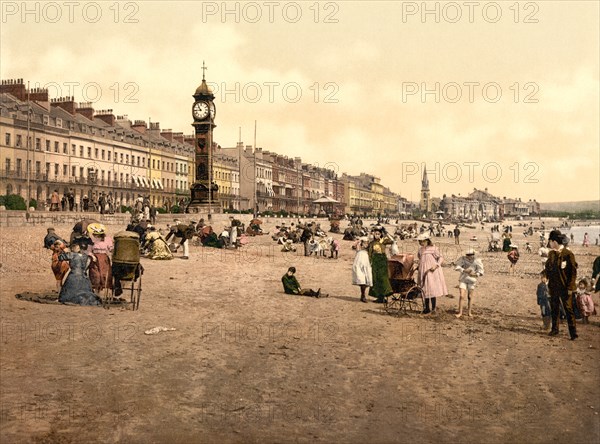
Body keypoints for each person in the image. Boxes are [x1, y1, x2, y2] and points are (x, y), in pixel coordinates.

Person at [545, 230, 578, 340]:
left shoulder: (568, 254)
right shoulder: (551, 254)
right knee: (554, 308)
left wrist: (570, 287)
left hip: (565, 287)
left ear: (554, 241)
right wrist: (546, 277)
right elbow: (548, 268)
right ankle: (555, 329)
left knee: (568, 309)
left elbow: (573, 272)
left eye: (550, 241)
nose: (549, 244)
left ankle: (573, 333)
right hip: (554, 286)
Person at [58, 237, 101, 306]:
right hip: (83, 276)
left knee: (68, 292)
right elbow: (87, 266)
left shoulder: (72, 255)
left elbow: (60, 257)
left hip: (73, 275)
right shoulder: (86, 256)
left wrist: (63, 250)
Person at [417, 233, 448, 314]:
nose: (420, 243)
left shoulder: (433, 248)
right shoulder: (420, 250)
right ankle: (426, 308)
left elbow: (441, 257)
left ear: (427, 240)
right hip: (423, 271)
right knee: (425, 289)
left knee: (432, 288)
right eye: (419, 241)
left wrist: (436, 265)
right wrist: (419, 265)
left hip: (432, 271)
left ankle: (433, 308)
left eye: (422, 241)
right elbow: (420, 258)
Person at [454, 248, 484, 318]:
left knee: (470, 297)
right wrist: (464, 270)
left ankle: (469, 312)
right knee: (461, 296)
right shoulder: (463, 259)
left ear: (473, 254)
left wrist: (476, 274)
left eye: (471, 255)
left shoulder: (477, 260)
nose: (469, 256)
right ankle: (460, 312)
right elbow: (457, 267)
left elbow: (481, 271)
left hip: (472, 280)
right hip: (463, 279)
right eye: (468, 255)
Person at [368, 227, 394, 303]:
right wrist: (369, 262)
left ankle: (384, 296)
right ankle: (379, 297)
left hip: (382, 260)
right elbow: (370, 253)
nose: (377, 235)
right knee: (375, 278)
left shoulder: (383, 241)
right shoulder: (372, 243)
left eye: (378, 234)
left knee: (383, 278)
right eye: (375, 234)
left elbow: (392, 240)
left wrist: (385, 233)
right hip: (375, 260)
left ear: (380, 234)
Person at [86, 223, 113, 293]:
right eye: (94, 233)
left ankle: (101, 291)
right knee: (96, 275)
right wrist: (92, 256)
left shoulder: (107, 239)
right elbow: (88, 251)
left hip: (104, 259)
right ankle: (96, 292)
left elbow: (111, 249)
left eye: (97, 233)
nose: (95, 235)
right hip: (95, 259)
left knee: (104, 274)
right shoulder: (91, 240)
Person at [352, 237, 372, 303]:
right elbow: (353, 246)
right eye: (364, 242)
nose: (365, 244)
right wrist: (359, 241)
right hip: (359, 261)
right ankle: (363, 295)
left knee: (367, 278)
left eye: (366, 243)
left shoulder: (368, 248)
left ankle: (363, 295)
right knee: (361, 279)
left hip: (366, 261)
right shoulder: (359, 246)